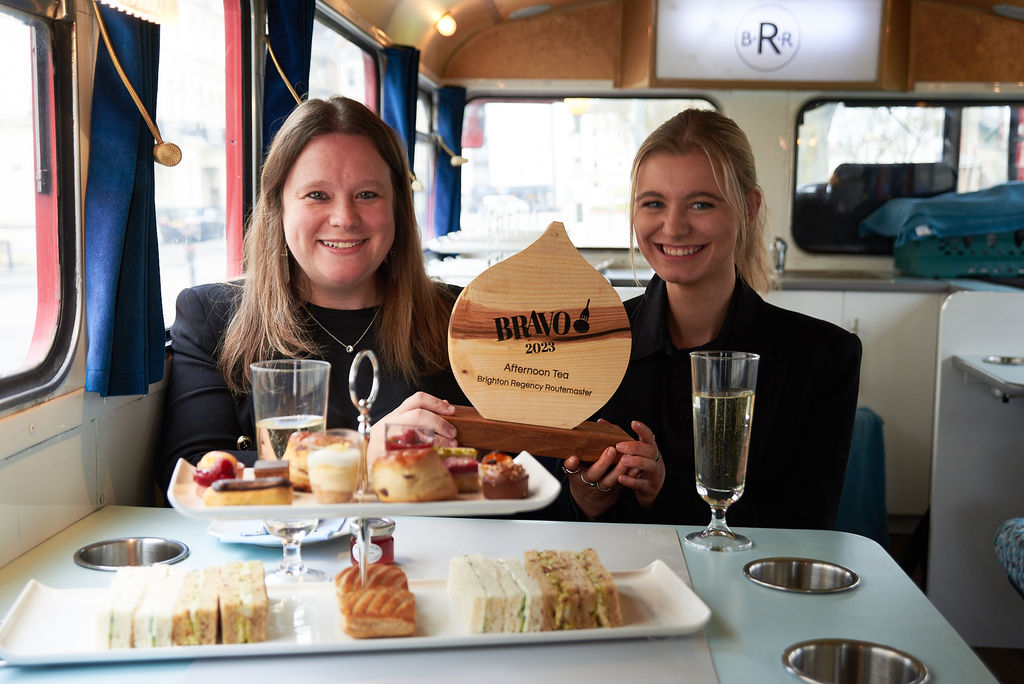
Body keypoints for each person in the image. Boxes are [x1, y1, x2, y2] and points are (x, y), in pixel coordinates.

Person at [560, 109, 862, 530]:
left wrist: (666, 491)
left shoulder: (824, 359)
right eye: (654, 203)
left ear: (749, 208)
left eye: (701, 203)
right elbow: (548, 506)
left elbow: (806, 528)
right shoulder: (588, 342)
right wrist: (587, 501)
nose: (674, 226)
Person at [158, 96, 466, 492]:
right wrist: (360, 454)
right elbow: (189, 474)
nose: (344, 218)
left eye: (367, 194)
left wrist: (573, 479)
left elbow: (520, 469)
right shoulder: (211, 315)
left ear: (398, 209)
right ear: (278, 206)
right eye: (317, 195)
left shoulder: (459, 317)